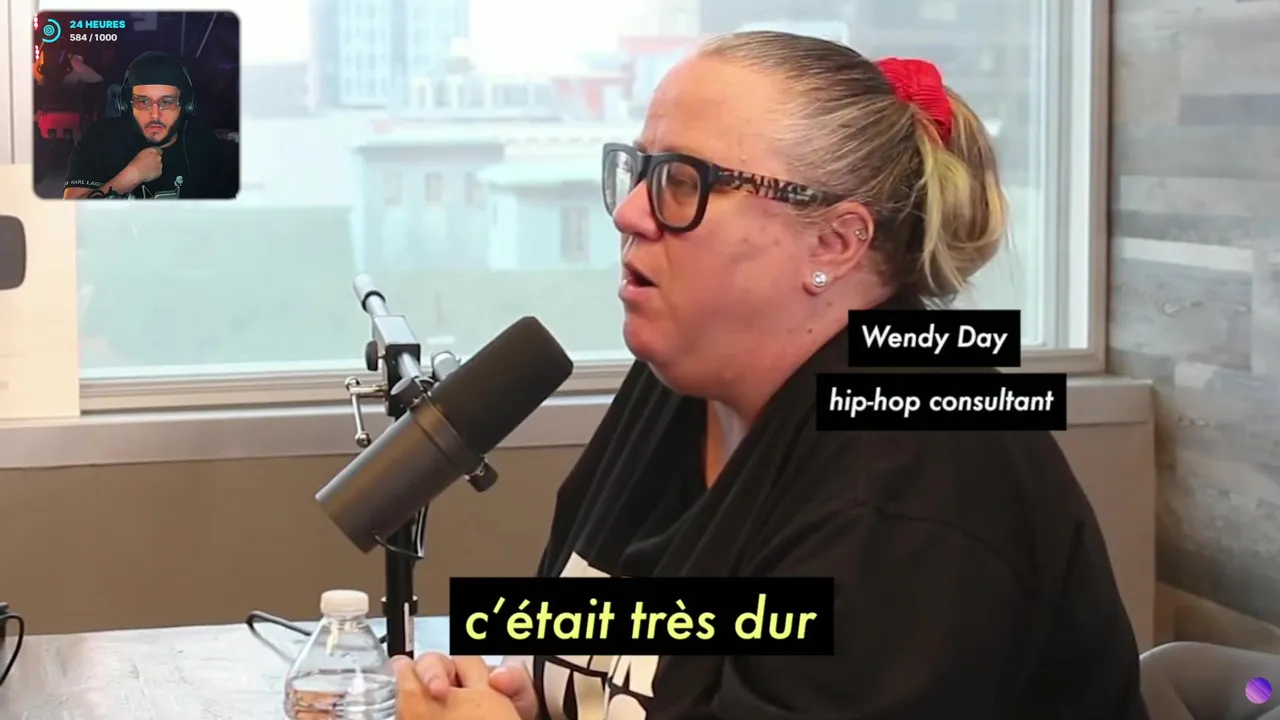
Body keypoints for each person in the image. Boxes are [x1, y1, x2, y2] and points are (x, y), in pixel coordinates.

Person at [393, 30, 1150, 720]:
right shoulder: (684, 373)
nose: (630, 213)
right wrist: (531, 699)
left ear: (834, 242)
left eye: (683, 182)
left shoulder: (918, 473)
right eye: (640, 169)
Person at [62, 51, 237, 199]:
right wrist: (130, 177)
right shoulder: (99, 139)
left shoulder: (204, 143)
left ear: (186, 104)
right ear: (127, 104)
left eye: (167, 102)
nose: (154, 114)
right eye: (143, 102)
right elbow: (70, 217)